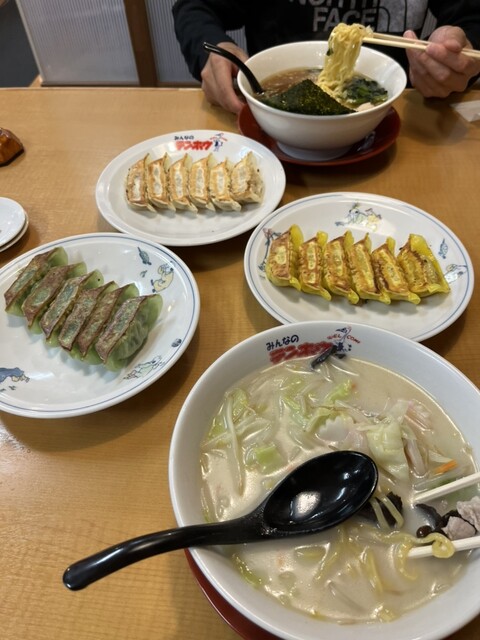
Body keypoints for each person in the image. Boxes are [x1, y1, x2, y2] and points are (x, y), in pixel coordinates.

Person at [172, 0, 480, 114]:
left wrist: (457, 58)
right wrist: (211, 49)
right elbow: (195, 6)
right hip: (273, 125)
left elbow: (472, 18)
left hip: (400, 119)